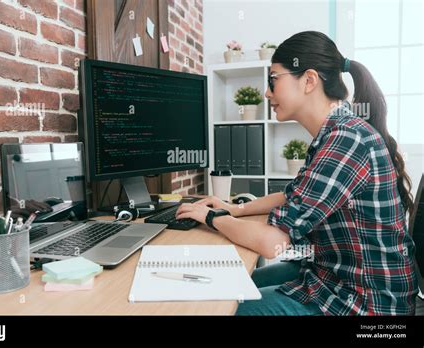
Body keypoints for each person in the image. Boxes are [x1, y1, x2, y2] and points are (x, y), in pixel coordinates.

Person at [175, 31, 419, 316]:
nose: (267, 93)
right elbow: (291, 195)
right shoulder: (334, 134)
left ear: (309, 81)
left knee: (227, 306)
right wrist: (235, 209)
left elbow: (271, 243)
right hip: (331, 277)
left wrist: (211, 217)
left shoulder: (347, 139)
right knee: (231, 285)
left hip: (365, 303)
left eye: (274, 80)